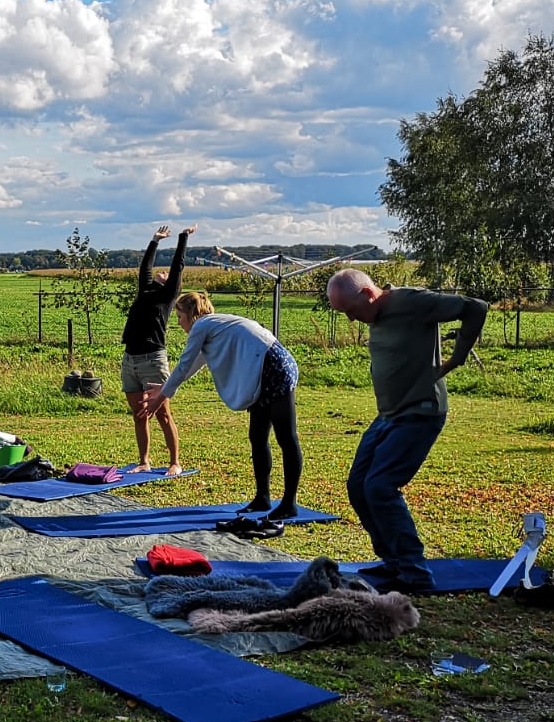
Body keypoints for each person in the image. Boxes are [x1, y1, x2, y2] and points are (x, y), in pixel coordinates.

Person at [325, 268, 488, 593]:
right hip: (389, 414)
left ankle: (415, 575)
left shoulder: (412, 301)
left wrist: (457, 358)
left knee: (381, 487)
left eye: (352, 311)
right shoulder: (375, 313)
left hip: (419, 412)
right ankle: (395, 563)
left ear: (368, 295)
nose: (352, 320)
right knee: (359, 486)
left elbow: (476, 307)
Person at [144, 292, 302, 520]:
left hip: (274, 367)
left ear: (191, 315)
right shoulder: (213, 326)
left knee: (286, 437)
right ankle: (262, 498)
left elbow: (184, 364)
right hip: (261, 368)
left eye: (179, 317)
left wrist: (160, 398)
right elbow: (193, 366)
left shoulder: (203, 325)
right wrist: (166, 388)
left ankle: (289, 503)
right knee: (257, 436)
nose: (178, 323)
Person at [119, 224, 196, 474]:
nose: (161, 273)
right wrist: (155, 240)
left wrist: (183, 238)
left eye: (166, 274)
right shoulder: (146, 289)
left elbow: (177, 267)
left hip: (153, 359)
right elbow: (145, 268)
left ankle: (175, 463)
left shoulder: (168, 294)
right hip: (130, 358)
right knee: (139, 415)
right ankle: (144, 461)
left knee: (162, 414)